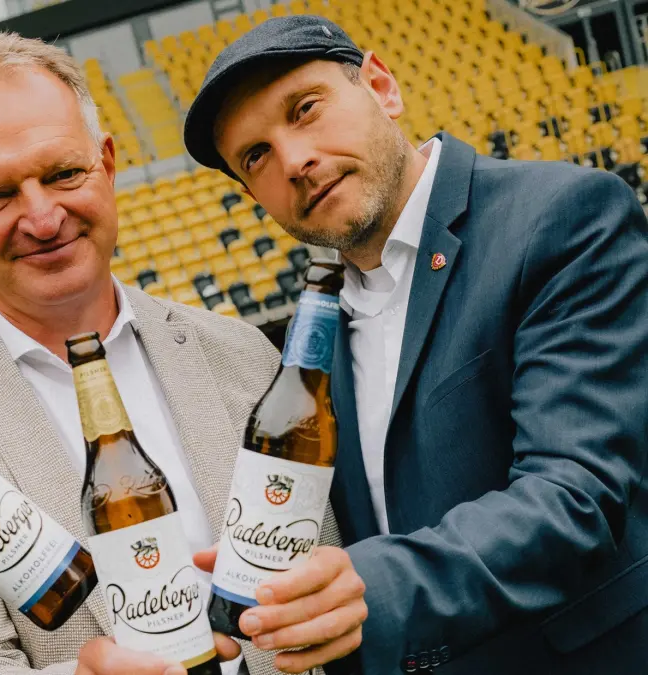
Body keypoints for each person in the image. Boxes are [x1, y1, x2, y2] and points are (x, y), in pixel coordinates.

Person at [0, 32, 367, 675]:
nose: (43, 218)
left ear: (107, 161)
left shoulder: (241, 353)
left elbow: (328, 578)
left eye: (63, 173)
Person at [182, 14, 648, 675]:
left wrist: (369, 589)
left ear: (381, 86)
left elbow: (574, 496)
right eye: (255, 156)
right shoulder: (312, 332)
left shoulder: (562, 217)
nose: (294, 160)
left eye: (305, 109)